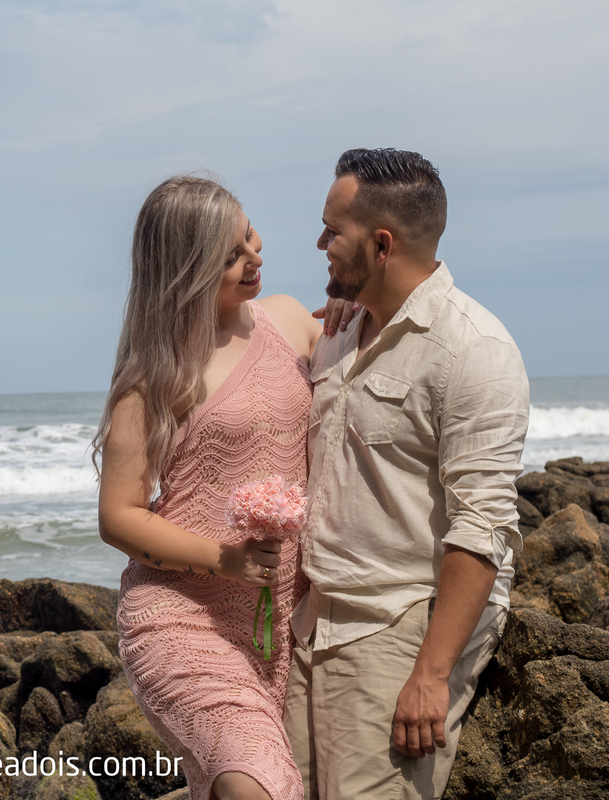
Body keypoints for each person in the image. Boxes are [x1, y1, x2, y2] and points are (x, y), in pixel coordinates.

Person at [283, 149, 530, 800]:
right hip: (313, 623)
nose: (320, 244)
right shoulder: (338, 330)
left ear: (382, 243)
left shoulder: (474, 349)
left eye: (333, 231)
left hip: (398, 626)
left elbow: (484, 525)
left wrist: (432, 671)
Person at [95, 174, 324, 800]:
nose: (254, 256)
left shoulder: (287, 320)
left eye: (248, 234)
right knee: (257, 783)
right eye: (228, 256)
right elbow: (118, 516)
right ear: (185, 270)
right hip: (180, 616)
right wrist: (223, 560)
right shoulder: (156, 374)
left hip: (277, 620)